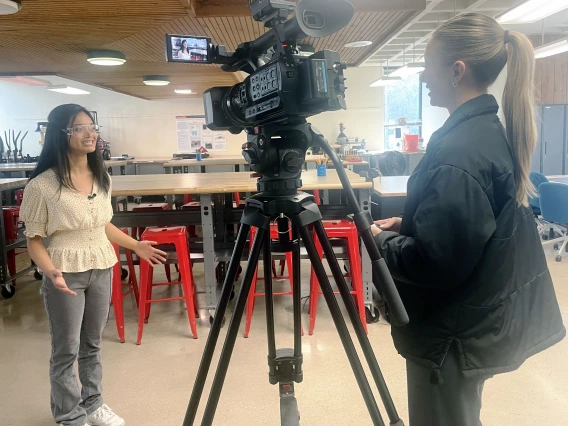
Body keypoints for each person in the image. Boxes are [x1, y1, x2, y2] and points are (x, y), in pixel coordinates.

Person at [371, 13, 565, 426]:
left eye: (428, 65)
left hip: (450, 333)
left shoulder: (459, 152)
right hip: (469, 319)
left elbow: (436, 264)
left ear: (457, 71)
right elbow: (472, 228)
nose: (424, 76)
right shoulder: (480, 134)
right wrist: (408, 227)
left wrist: (382, 244)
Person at [20, 104, 167, 426]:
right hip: (65, 272)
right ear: (62, 134)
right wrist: (51, 272)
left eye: (92, 126)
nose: (90, 134)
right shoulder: (42, 185)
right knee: (66, 350)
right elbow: (34, 239)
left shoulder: (101, 176)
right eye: (79, 128)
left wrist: (135, 245)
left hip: (102, 265)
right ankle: (69, 416)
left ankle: (94, 404)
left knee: (92, 344)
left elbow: (101, 224)